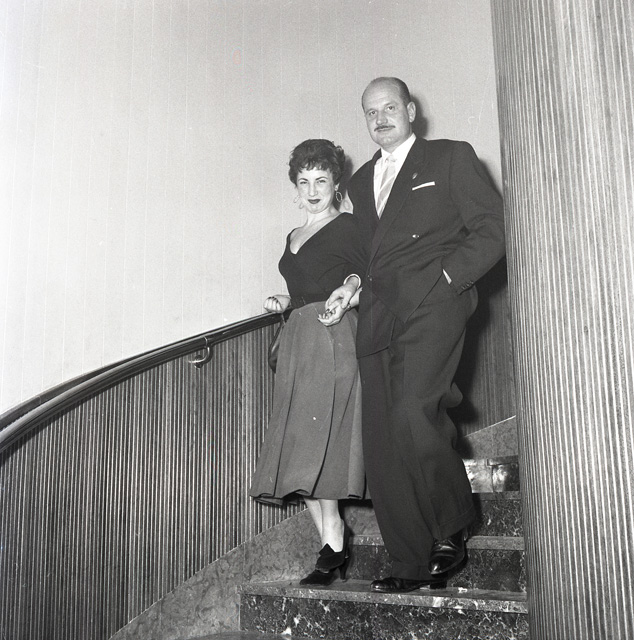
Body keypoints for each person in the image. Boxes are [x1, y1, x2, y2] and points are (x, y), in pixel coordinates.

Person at [321, 77, 506, 593]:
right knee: (382, 440)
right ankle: (408, 561)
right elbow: (369, 256)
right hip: (378, 315)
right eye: (370, 112)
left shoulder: (449, 157)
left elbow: (493, 228)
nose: (380, 119)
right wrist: (350, 288)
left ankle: (450, 527)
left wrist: (447, 280)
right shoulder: (361, 181)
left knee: (413, 411)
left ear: (410, 110)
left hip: (433, 306)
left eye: (389, 108)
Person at [249, 139, 367, 586]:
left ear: (337, 184)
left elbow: (364, 276)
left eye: (322, 180)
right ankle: (332, 541)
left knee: (319, 442)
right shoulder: (293, 236)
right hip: (299, 338)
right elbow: (306, 285)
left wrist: (348, 289)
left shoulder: (349, 225)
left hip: (333, 336)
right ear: (295, 187)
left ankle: (333, 539)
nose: (313, 190)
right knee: (299, 444)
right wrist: (285, 300)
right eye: (305, 181)